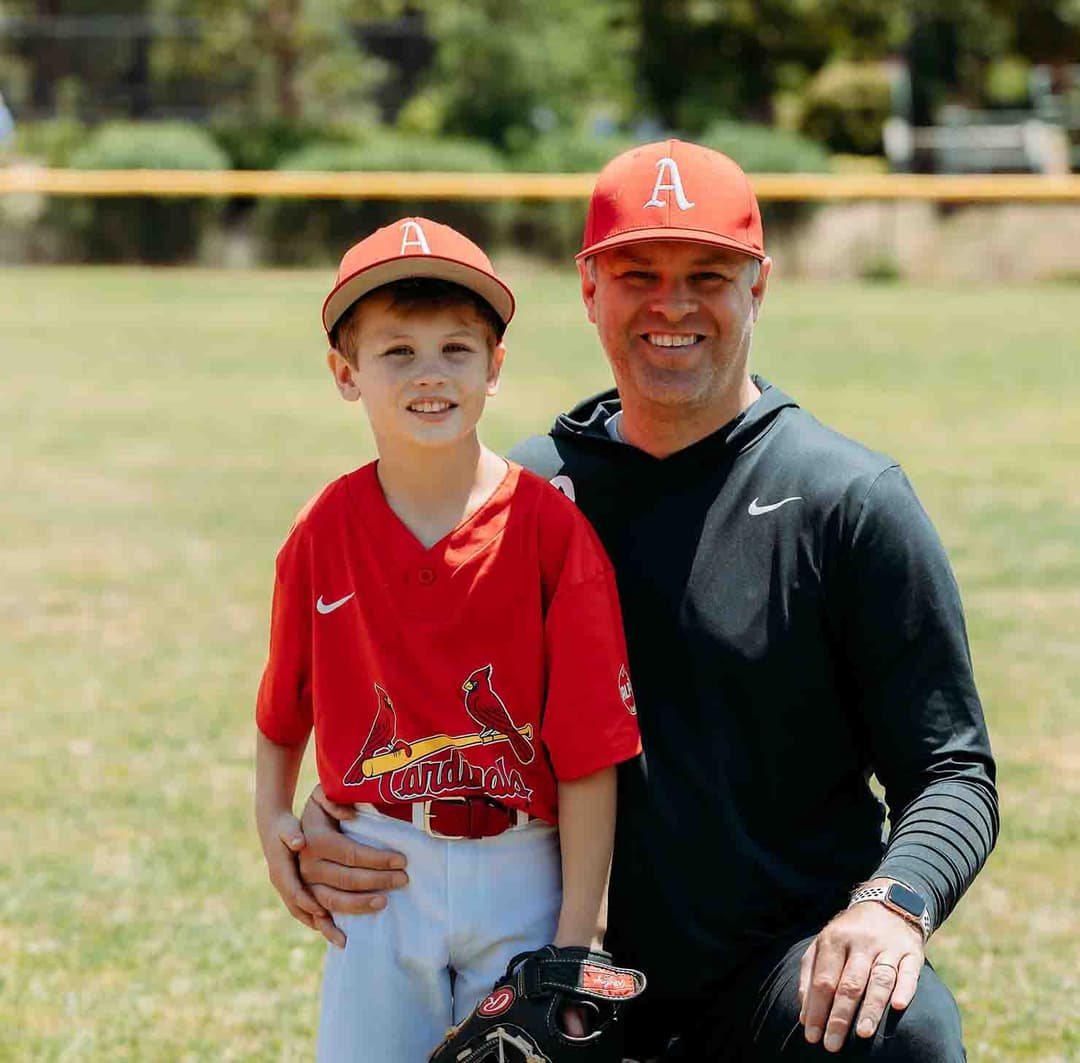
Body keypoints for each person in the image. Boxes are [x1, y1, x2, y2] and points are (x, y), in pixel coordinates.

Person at [291, 146, 1000, 1061]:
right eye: (638, 273)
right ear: (590, 287)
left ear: (759, 287)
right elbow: (424, 695)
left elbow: (952, 770)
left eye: (708, 274)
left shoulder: (845, 501)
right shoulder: (524, 499)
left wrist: (892, 903)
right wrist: (334, 807)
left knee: (895, 1030)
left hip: (771, 973)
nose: (673, 303)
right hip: (545, 968)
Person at [254, 217, 641, 1062]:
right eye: (397, 352)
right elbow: (285, 701)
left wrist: (579, 940)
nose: (430, 375)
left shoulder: (551, 532)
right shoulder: (324, 528)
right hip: (378, 862)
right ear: (345, 374)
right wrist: (272, 816)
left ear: (495, 368)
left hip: (521, 865)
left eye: (456, 350)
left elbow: (589, 752)